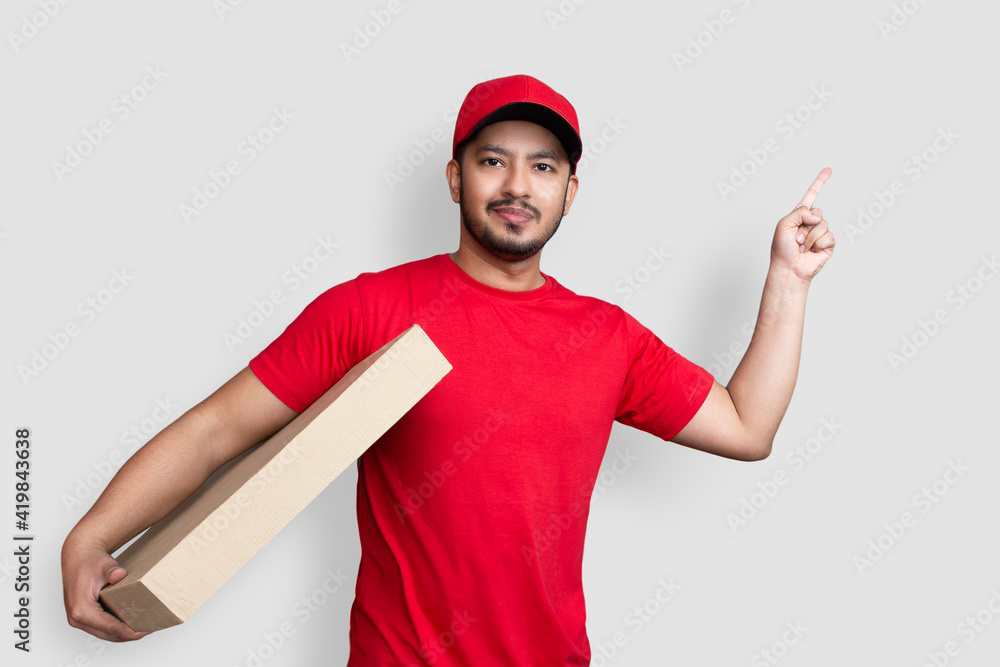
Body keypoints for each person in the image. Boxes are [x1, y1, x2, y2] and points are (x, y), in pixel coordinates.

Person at [61, 74, 835, 664]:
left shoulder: (607, 337)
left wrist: (787, 280)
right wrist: (92, 535)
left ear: (571, 191)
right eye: (492, 159)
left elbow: (746, 425)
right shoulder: (370, 309)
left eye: (542, 166)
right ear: (454, 176)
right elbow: (216, 429)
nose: (516, 186)